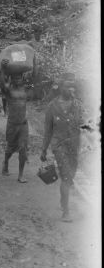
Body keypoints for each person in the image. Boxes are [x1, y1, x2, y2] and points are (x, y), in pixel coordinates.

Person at [40, 74, 82, 222]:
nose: (71, 89)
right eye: (67, 86)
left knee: (70, 177)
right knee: (66, 177)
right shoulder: (52, 106)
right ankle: (66, 211)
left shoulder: (78, 105)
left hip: (74, 146)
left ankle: (63, 202)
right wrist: (44, 149)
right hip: (59, 146)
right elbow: (48, 130)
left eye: (73, 86)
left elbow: (83, 125)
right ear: (60, 88)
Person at [0, 61, 29, 183]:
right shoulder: (8, 90)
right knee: (10, 149)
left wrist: (35, 61)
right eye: (15, 78)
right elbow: (1, 84)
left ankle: (20, 175)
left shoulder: (25, 90)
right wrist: (2, 69)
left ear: (22, 79)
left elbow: (35, 76)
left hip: (23, 124)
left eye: (19, 78)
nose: (17, 80)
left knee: (23, 149)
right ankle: (5, 162)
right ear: (12, 79)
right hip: (12, 124)